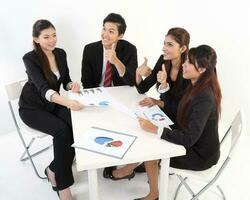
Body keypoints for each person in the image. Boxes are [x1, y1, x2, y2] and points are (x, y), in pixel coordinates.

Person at [136, 44, 222, 200]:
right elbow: (176, 108)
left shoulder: (204, 97)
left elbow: (189, 139)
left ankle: (154, 194)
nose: (183, 64)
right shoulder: (196, 84)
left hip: (200, 155)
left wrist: (157, 129)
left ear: (201, 69)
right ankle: (138, 169)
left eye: (188, 62)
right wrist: (163, 86)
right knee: (150, 135)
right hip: (194, 141)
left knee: (151, 151)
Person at [104, 27, 190, 180]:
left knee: (147, 130)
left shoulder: (189, 68)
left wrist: (159, 98)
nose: (164, 48)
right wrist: (138, 73)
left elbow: (182, 105)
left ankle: (129, 168)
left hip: (181, 119)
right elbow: (143, 88)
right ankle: (138, 162)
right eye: (164, 43)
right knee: (135, 120)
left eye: (170, 45)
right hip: (166, 112)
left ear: (182, 48)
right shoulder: (163, 60)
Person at [19, 19, 83, 200]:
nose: (52, 40)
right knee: (62, 131)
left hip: (53, 104)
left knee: (75, 126)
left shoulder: (61, 54)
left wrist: (72, 85)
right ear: (36, 39)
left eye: (54, 35)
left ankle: (53, 169)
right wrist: (68, 103)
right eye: (46, 37)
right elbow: (42, 88)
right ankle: (64, 189)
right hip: (32, 108)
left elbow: (65, 80)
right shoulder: (30, 58)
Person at [81, 13, 138, 88]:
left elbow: (132, 81)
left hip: (119, 93)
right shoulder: (89, 49)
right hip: (98, 92)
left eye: (111, 32)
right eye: (104, 29)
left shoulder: (130, 50)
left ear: (120, 36)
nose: (105, 35)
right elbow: (86, 82)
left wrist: (116, 61)